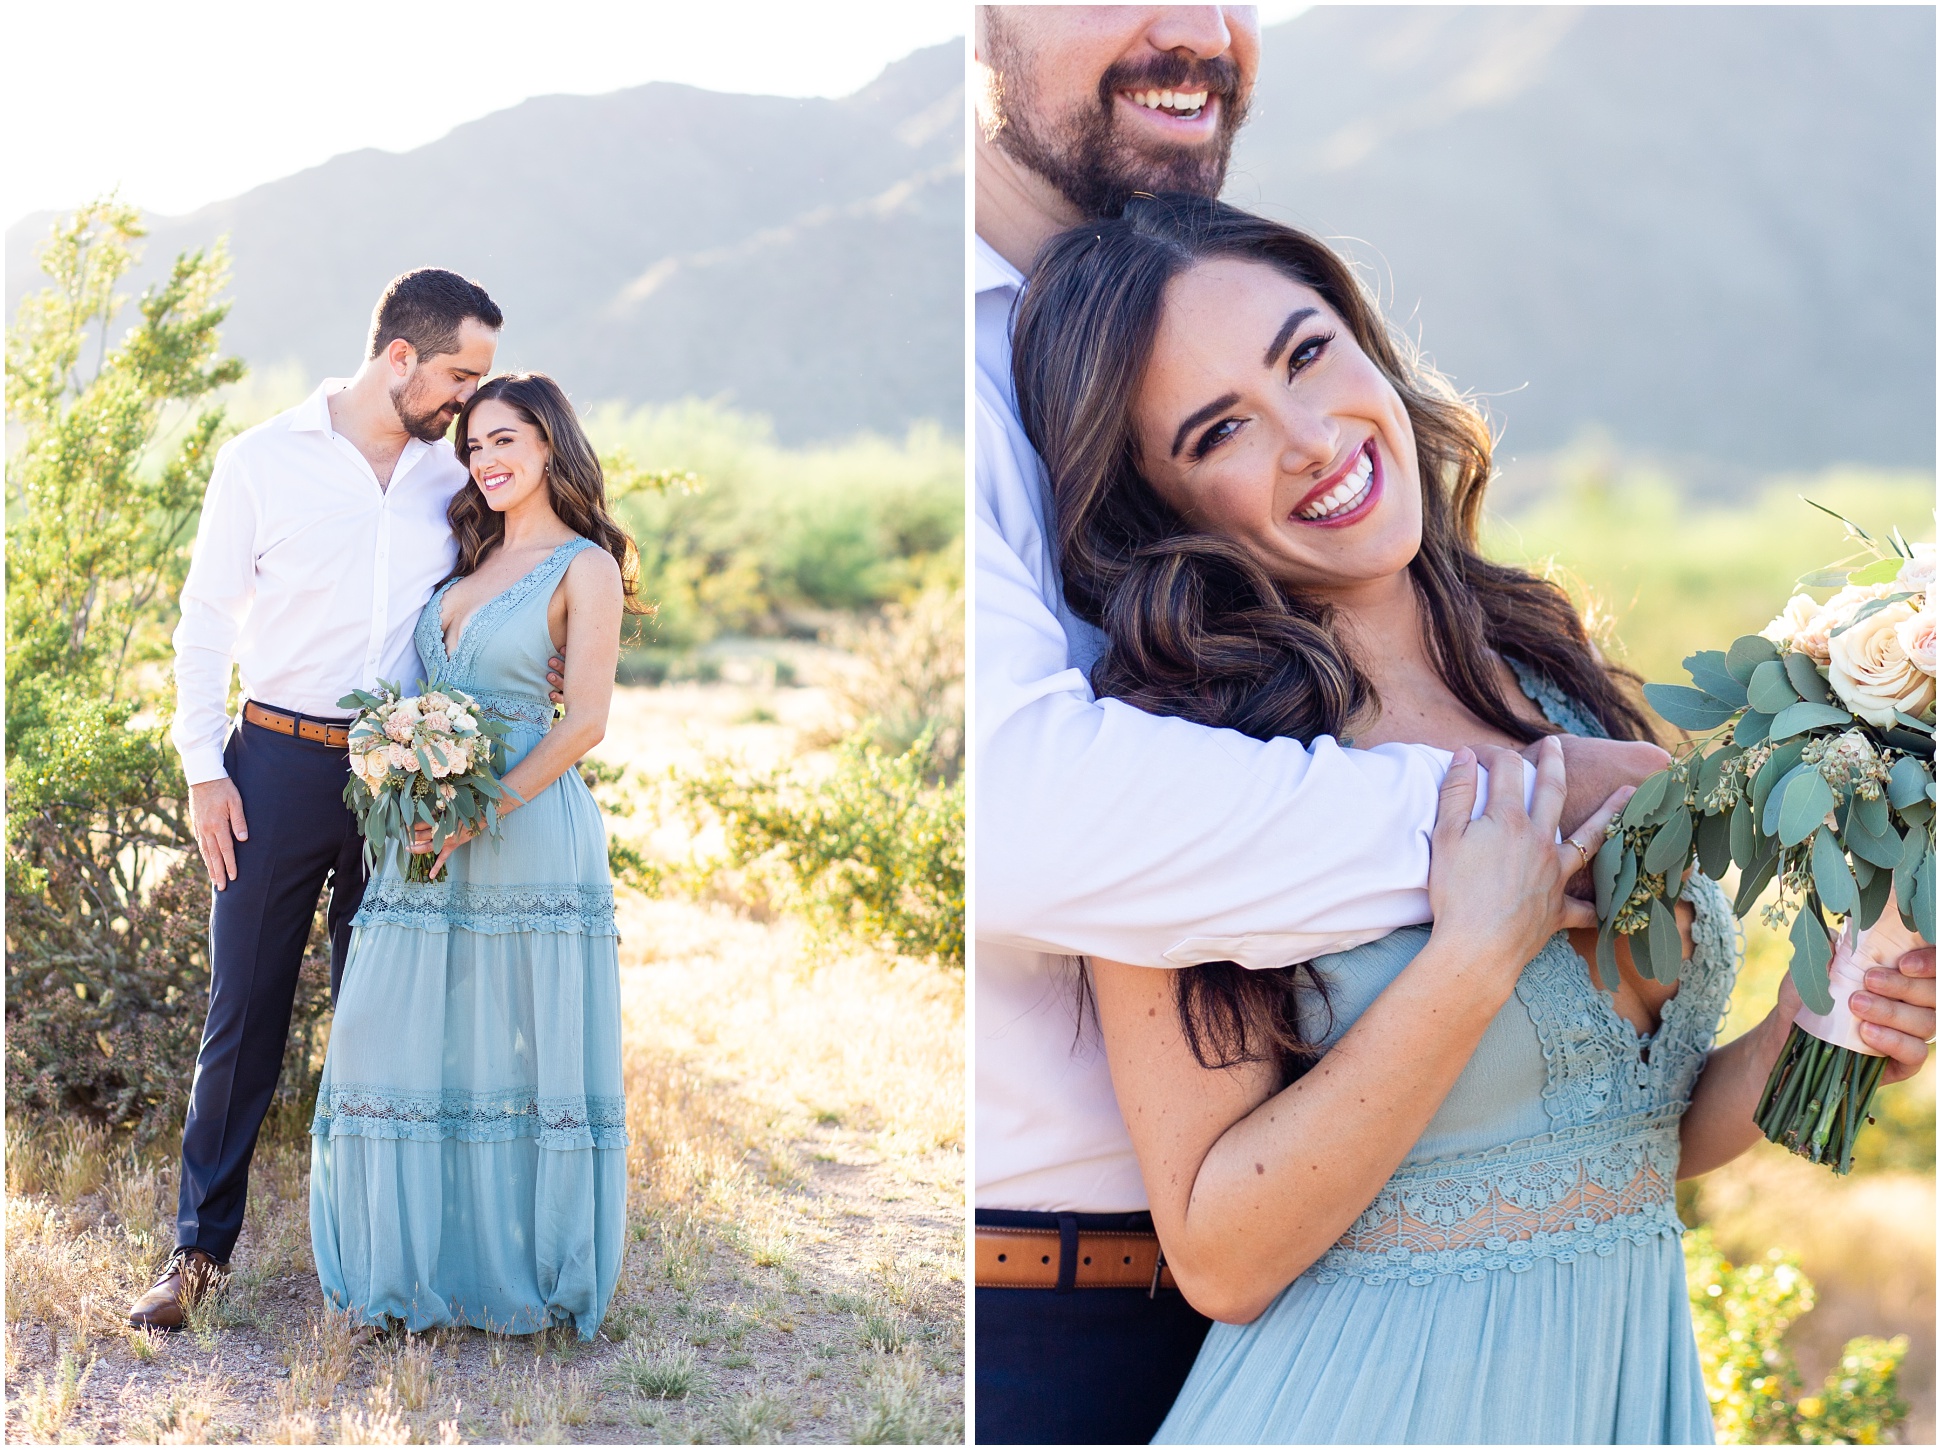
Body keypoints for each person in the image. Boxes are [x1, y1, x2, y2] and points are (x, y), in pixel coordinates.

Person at [969, 7, 1937, 1443]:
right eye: (1216, 431)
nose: (1305, 438)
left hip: (1618, 1394)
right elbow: (1221, 1253)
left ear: (1366, 347)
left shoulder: (1543, 664)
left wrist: (1827, 1031)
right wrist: (1471, 955)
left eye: (1305, 356)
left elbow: (1641, 1141)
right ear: (1162, 502)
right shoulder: (1189, 762)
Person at [132, 269, 525, 1330]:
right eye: (458, 374)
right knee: (244, 1011)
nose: (466, 399)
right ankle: (196, 1255)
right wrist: (204, 766)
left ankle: (372, 1263)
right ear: (400, 356)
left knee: (381, 1019)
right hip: (270, 766)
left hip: (398, 777)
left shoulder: (452, 481)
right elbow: (204, 618)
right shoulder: (262, 460)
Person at [308, 372, 636, 1337]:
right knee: (390, 1032)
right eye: (475, 447)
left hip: (524, 827)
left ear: (549, 448)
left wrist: (475, 811)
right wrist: (405, 778)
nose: (486, 461)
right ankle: (401, 1267)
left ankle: (522, 1272)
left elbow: (585, 724)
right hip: (424, 834)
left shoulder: (586, 567)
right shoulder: (468, 555)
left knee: (517, 1051)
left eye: (505, 442)